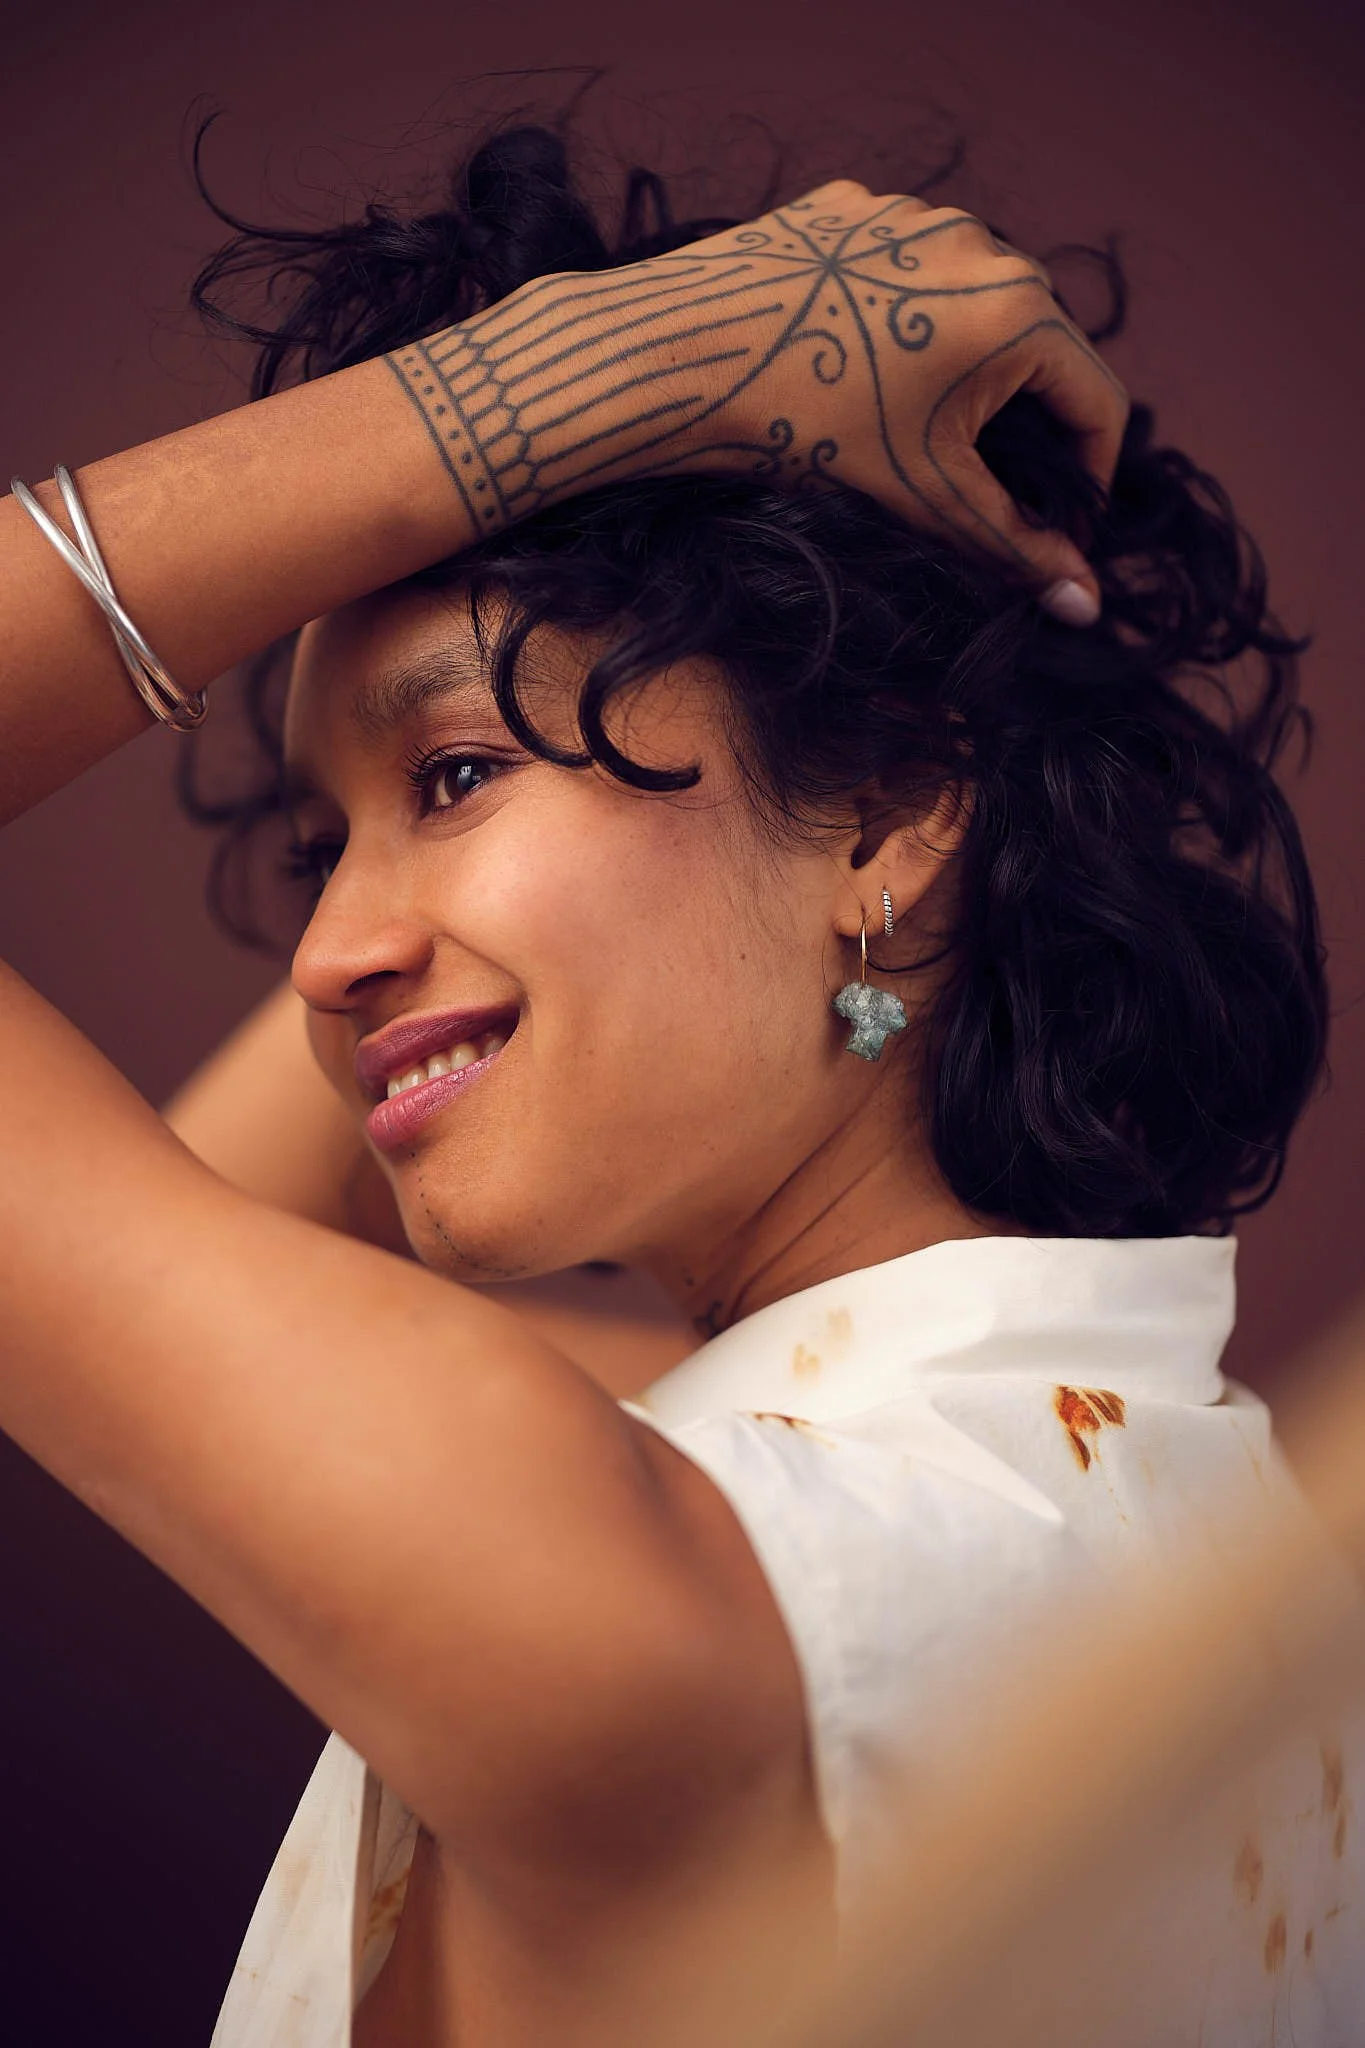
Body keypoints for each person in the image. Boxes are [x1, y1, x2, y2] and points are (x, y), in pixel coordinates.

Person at [1, 121, 1355, 2047]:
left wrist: (604, 377)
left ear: (889, 810)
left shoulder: (610, 1589)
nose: (320, 956)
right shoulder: (1167, 1522)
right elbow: (193, 1216)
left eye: (457, 775)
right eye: (325, 848)